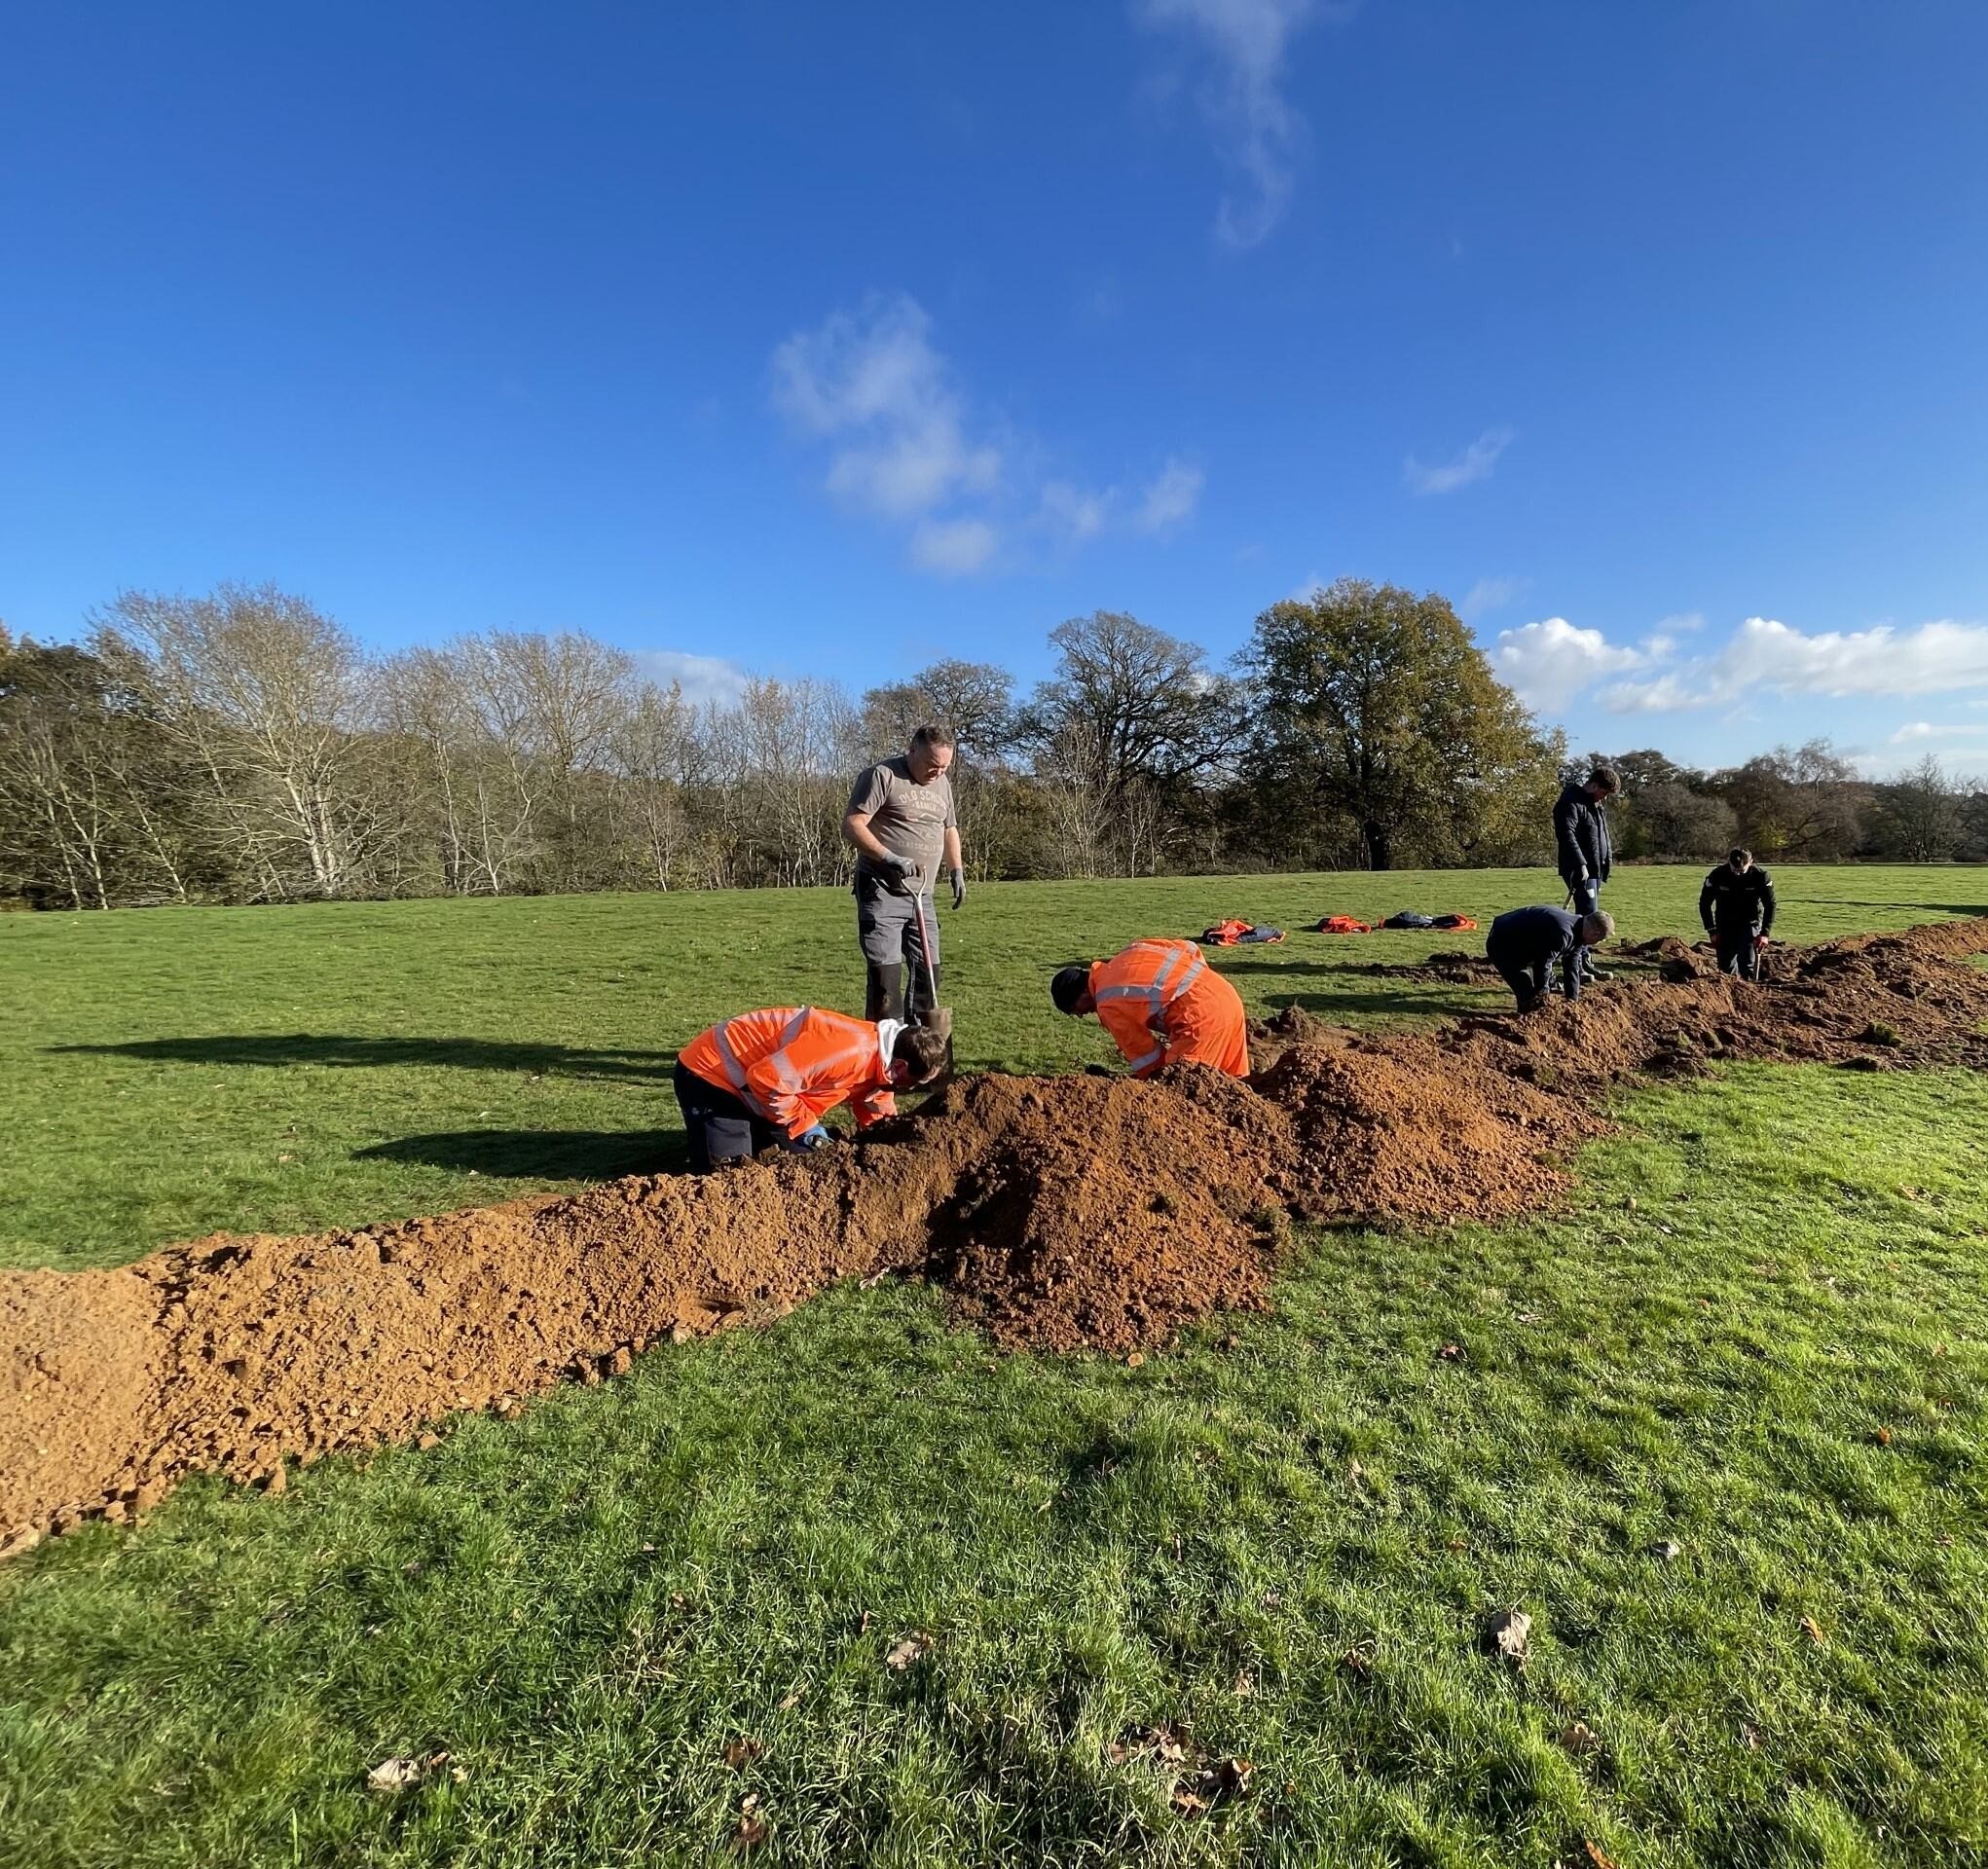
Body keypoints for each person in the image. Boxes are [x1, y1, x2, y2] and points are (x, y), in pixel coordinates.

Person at [673, 1007, 950, 1172]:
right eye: (913, 1083)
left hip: (765, 1092)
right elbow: (766, 1079)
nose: (910, 1089)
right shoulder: (850, 1050)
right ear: (900, 1067)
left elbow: (874, 1105)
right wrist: (804, 1125)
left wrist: (889, 1140)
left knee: (802, 1163)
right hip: (712, 1076)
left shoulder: (883, 1065)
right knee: (727, 1172)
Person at [843, 725, 966, 1027]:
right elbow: (852, 824)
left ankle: (920, 1052)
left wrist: (957, 870)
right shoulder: (882, 775)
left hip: (921, 895)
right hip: (882, 890)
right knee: (886, 980)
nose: (936, 773)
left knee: (929, 974)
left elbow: (948, 828)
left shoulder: (942, 784)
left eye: (944, 767)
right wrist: (889, 857)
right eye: (931, 765)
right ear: (912, 750)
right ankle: (885, 1055)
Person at [1049, 938, 1249, 1079]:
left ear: (1081, 994)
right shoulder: (1131, 952)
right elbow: (1188, 947)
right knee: (1232, 1080)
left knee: (1181, 1085)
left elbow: (1145, 1056)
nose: (1084, 1014)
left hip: (1202, 1021)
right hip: (1226, 996)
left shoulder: (1107, 1002)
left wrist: (1155, 1082)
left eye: (1077, 1011)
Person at [1553, 763, 1620, 980]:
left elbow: (1600, 837)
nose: (1604, 798)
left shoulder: (1594, 804)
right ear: (1592, 785)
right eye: (1604, 792)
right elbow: (1566, 834)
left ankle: (1584, 961)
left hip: (1594, 871)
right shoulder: (1571, 802)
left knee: (1587, 914)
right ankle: (1575, 965)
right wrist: (1580, 864)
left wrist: (1605, 864)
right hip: (1580, 870)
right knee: (1587, 918)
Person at [1485, 905, 1615, 1011]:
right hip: (1502, 943)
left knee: (1541, 990)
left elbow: (1572, 966)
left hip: (1522, 945)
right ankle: (1525, 1024)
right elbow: (1542, 964)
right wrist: (1543, 996)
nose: (1596, 943)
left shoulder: (1577, 930)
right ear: (1594, 933)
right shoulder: (1563, 933)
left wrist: (1572, 1001)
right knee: (1528, 995)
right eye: (1599, 940)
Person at [1700, 846, 1777, 980]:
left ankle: (1750, 989)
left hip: (1749, 923)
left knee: (1746, 963)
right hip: (1724, 924)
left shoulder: (1761, 877)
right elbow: (1704, 904)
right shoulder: (1717, 875)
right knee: (1725, 968)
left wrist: (1765, 933)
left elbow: (1770, 905)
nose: (1738, 874)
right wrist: (1711, 930)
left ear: (1751, 861)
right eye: (1734, 870)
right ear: (1728, 862)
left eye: (1742, 871)